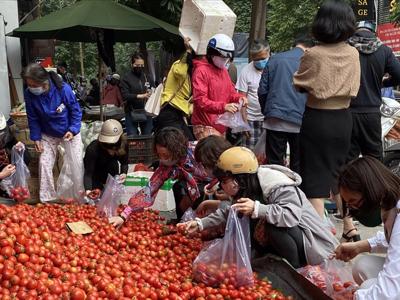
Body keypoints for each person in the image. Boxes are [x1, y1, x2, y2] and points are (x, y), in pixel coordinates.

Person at [180, 147, 338, 268]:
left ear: (238, 179)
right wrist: (200, 223)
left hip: (311, 243)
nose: (221, 186)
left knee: (272, 226)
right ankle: (270, 260)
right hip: (294, 237)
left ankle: (295, 268)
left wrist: (258, 208)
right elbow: (230, 211)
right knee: (249, 218)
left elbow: (290, 215)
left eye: (224, 181)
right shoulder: (249, 187)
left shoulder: (277, 185)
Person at [293, 0, 361, 242]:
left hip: (318, 119)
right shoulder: (353, 53)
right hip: (343, 120)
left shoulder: (314, 54)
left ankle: (317, 239)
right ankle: (349, 224)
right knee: (340, 175)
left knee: (315, 181)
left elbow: (300, 82)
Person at [109, 127, 209, 226]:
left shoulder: (198, 151)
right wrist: (124, 215)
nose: (162, 159)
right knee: (179, 190)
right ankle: (181, 221)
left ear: (176, 150)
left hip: (213, 183)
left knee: (205, 209)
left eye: (165, 155)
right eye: (159, 155)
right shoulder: (165, 167)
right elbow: (149, 190)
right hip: (192, 185)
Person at [334, 156, 400, 300]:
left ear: (371, 189)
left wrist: (353, 297)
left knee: (367, 288)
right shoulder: (392, 204)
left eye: (354, 202)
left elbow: (388, 292)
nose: (354, 209)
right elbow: (396, 240)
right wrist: (361, 246)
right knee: (363, 265)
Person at [22, 63, 83, 202]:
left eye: (33, 85)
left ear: (43, 83)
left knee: (76, 163)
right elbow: (33, 117)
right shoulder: (29, 94)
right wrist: (36, 138)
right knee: (44, 163)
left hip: (68, 131)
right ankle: (47, 199)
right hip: (48, 133)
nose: (30, 87)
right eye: (28, 84)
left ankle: (76, 196)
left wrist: (73, 130)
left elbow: (76, 111)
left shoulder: (63, 89)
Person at [258, 34, 314, 173]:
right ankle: (297, 192)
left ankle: (275, 192)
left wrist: (268, 111)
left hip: (275, 119)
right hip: (301, 120)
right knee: (298, 164)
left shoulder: (275, 59)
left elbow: (262, 90)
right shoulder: (310, 62)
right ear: (309, 49)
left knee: (275, 166)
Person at [347, 21, 400, 162]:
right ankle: (373, 184)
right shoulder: (384, 50)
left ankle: (349, 184)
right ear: (373, 32)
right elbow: (399, 75)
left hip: (347, 112)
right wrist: (383, 83)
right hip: (372, 113)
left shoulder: (345, 48)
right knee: (374, 159)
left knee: (348, 159)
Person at [191, 34, 246, 140]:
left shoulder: (224, 71)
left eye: (227, 59)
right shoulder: (201, 71)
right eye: (222, 58)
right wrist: (223, 107)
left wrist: (240, 98)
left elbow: (230, 92)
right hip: (205, 126)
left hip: (221, 126)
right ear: (212, 54)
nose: (225, 61)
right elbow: (200, 100)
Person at [155, 38, 195, 140]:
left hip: (177, 114)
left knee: (189, 141)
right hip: (169, 111)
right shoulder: (178, 65)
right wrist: (189, 50)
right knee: (178, 144)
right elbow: (180, 73)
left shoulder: (189, 74)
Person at [236, 39, 270, 150]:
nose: (260, 61)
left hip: (270, 119)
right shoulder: (246, 72)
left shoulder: (274, 68)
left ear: (268, 53)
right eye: (257, 59)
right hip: (251, 120)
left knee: (269, 155)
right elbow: (241, 98)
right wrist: (244, 124)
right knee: (250, 155)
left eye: (263, 58)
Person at [84, 119, 128, 192]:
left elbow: (124, 162)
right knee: (97, 196)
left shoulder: (123, 145)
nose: (111, 153)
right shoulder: (93, 149)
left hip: (112, 170)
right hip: (95, 173)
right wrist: (88, 190)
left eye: (115, 150)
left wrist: (123, 173)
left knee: (112, 196)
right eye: (109, 148)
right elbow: (88, 174)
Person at [194, 135, 232, 215]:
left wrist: (208, 203)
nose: (204, 169)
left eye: (205, 165)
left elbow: (235, 206)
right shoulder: (220, 180)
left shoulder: (234, 179)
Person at [120, 52, 154, 136]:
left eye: (142, 65)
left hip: (146, 111)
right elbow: (125, 95)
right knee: (132, 137)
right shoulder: (126, 78)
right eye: (137, 65)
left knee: (147, 136)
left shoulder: (147, 77)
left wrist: (151, 92)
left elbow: (153, 88)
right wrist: (141, 96)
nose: (139, 67)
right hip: (131, 111)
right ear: (132, 64)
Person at [0, 113, 29, 198]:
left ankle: (8, 188)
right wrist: (2, 175)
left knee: (25, 156)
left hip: (4, 169)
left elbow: (11, 141)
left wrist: (18, 147)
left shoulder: (5, 131)